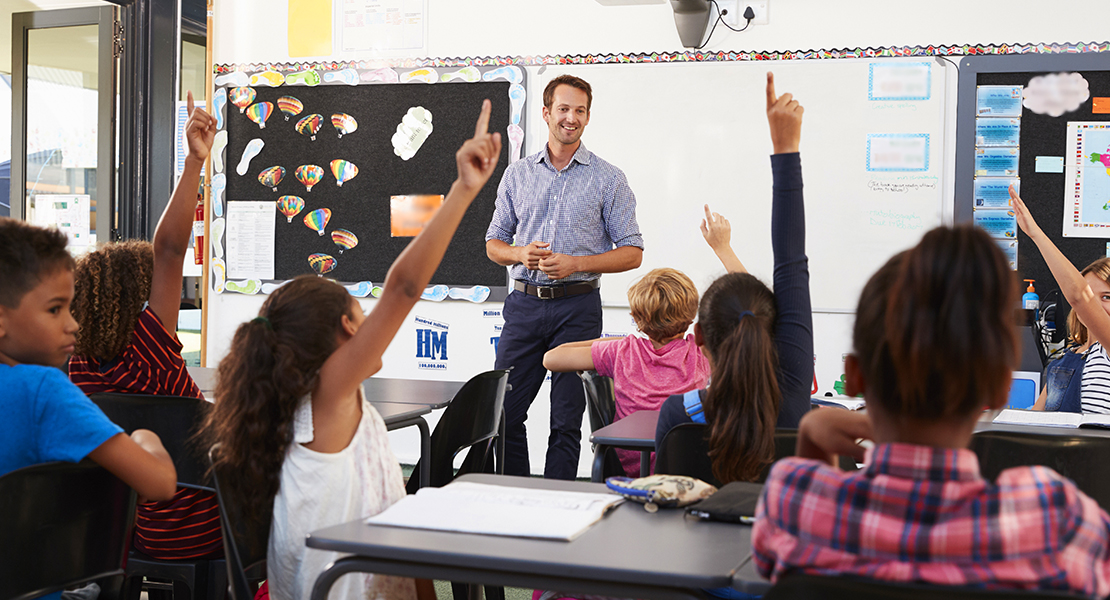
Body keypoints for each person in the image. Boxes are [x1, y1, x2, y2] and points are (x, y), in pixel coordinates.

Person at [202, 100, 501, 600]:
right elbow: (403, 288)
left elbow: (395, 533)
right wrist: (462, 190)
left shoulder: (291, 405)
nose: (370, 328)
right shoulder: (328, 396)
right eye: (361, 319)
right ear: (345, 329)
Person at [752, 225, 1110, 597]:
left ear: (855, 376)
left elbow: (771, 563)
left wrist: (812, 453)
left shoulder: (793, 495)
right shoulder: (1055, 517)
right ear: (1002, 386)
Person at [67, 93, 220, 561]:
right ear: (141, 296)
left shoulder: (75, 372)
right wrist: (194, 163)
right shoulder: (150, 350)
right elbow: (170, 251)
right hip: (209, 527)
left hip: (131, 537)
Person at [0, 220, 178, 599]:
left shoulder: (69, 374)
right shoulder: (43, 391)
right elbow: (159, 484)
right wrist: (146, 439)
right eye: (55, 310)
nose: (73, 324)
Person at [653, 72, 813, 484]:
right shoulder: (795, 398)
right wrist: (785, 150)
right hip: (780, 548)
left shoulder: (679, 416)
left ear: (699, 336)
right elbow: (790, 260)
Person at [485, 74, 644, 480]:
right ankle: (518, 493)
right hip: (522, 306)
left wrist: (576, 263)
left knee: (566, 421)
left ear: (588, 117)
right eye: (563, 109)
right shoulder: (517, 175)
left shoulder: (609, 179)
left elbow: (632, 252)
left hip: (577, 309)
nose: (571, 118)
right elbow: (493, 244)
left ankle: (557, 501)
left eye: (579, 111)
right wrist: (520, 254)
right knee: (505, 412)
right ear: (546, 112)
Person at [542, 206, 743, 477]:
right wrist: (723, 248)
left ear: (636, 318)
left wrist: (615, 342)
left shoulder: (623, 351)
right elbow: (747, 308)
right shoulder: (701, 351)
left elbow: (552, 358)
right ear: (692, 316)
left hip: (627, 472)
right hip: (685, 470)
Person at [1014, 187, 1110, 414]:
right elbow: (1034, 419)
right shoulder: (1065, 359)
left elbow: (1078, 295)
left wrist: (1035, 233)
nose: (1093, 305)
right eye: (1091, 296)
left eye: (1106, 297)